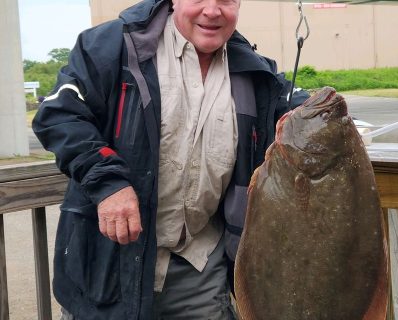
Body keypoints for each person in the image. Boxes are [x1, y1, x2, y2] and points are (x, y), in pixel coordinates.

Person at [33, 0, 308, 318]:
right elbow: (59, 114)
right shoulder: (113, 45)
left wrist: (315, 112)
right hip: (109, 268)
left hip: (200, 271)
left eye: (226, 1)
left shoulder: (254, 73)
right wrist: (108, 183)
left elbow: (301, 107)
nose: (212, 10)